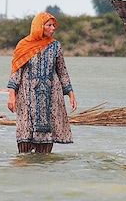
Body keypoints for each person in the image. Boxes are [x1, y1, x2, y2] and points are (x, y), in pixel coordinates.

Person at [7, 12, 77, 154]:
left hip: (51, 96)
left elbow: (62, 71)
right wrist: (11, 95)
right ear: (40, 26)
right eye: (49, 25)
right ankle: (24, 172)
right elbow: (16, 71)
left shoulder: (55, 46)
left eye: (54, 25)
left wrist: (70, 94)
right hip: (27, 96)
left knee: (46, 143)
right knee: (24, 137)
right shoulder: (24, 45)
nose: (53, 28)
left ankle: (44, 171)